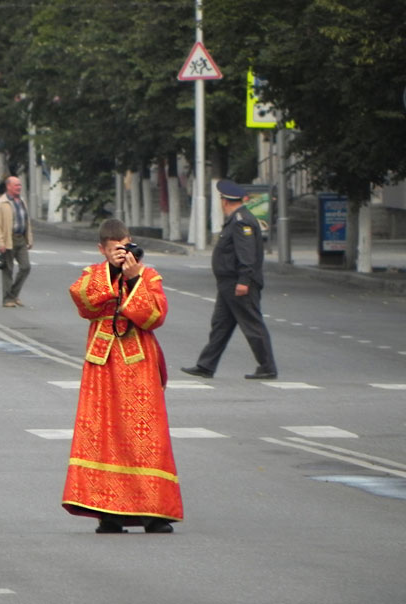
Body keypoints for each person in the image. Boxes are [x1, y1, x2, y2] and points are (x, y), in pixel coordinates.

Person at [63, 218, 183, 534]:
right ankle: (108, 512)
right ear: (102, 249)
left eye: (125, 247)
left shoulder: (148, 276)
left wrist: (133, 278)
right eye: (114, 249)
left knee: (146, 438)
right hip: (103, 366)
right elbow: (83, 300)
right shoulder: (93, 275)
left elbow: (155, 315)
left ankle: (154, 512)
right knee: (104, 435)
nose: (121, 253)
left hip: (139, 363)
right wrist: (113, 274)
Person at [181, 179, 277, 380]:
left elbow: (247, 255)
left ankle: (267, 366)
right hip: (228, 285)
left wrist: (244, 281)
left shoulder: (241, 221)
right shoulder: (237, 219)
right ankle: (206, 365)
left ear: (225, 202)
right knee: (220, 325)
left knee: (251, 324)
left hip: (238, 284)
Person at [0, 176, 32, 307]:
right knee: (8, 269)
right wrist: (0, 242)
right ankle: (7, 299)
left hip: (21, 238)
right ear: (8, 186)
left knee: (25, 267)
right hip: (8, 239)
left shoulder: (21, 201)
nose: (19, 187)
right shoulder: (1, 203)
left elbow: (26, 221)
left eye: (20, 185)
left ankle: (13, 294)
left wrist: (29, 239)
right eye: (16, 185)